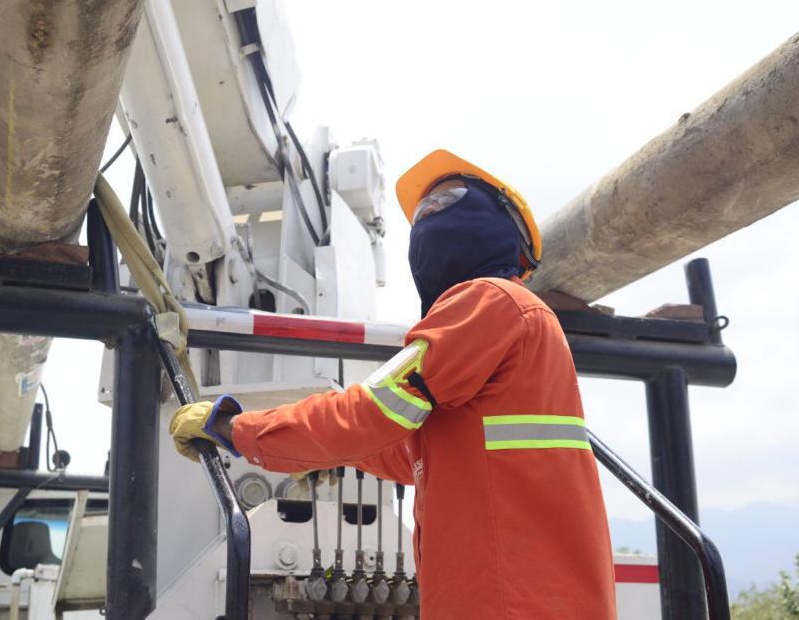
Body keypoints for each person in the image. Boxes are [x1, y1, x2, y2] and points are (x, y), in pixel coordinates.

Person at [169, 149, 617, 618]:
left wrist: (236, 428)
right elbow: (411, 453)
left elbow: (371, 413)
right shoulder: (515, 329)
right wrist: (316, 449)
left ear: (505, 231)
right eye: (424, 211)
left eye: (450, 200)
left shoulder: (490, 301)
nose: (429, 216)